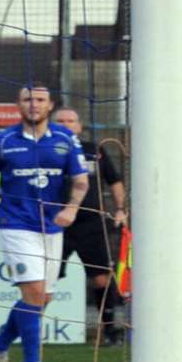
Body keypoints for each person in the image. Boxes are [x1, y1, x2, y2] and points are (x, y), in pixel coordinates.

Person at [0, 84, 89, 362]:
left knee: (42, 297)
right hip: (15, 224)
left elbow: (81, 180)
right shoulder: (2, 140)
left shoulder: (65, 139)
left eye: (39, 100)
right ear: (18, 105)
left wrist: (71, 208)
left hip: (52, 228)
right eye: (27, 99)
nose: (33, 104)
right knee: (33, 291)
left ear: (50, 105)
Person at [53, 106, 127, 346]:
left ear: (79, 126)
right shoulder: (43, 149)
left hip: (91, 223)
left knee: (101, 279)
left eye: (71, 121)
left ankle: (108, 330)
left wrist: (120, 209)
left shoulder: (94, 151)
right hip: (56, 223)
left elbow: (115, 182)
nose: (66, 124)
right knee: (45, 280)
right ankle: (32, 331)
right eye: (61, 121)